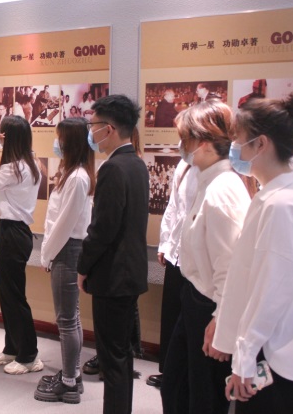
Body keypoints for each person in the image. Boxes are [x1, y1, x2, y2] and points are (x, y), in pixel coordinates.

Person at [211, 91, 293, 413]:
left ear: (261, 144)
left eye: (239, 140)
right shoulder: (277, 194)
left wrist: (246, 355)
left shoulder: (281, 205)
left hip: (274, 352)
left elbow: (272, 290)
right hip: (271, 347)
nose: (235, 148)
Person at [161, 100, 252, 414]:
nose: (181, 147)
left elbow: (230, 268)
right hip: (195, 297)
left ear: (202, 143)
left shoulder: (221, 190)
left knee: (203, 397)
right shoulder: (208, 180)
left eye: (184, 139)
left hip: (209, 305)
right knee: (176, 384)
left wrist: (220, 323)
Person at [77, 94, 149, 414]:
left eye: (93, 125)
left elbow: (102, 229)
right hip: (130, 274)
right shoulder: (137, 164)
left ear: (108, 128)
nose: (91, 132)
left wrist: (83, 267)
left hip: (112, 277)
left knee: (113, 359)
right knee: (121, 355)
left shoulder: (113, 168)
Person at [34, 118, 96, 404]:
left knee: (66, 320)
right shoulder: (73, 173)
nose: (56, 143)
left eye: (59, 138)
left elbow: (64, 223)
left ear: (70, 142)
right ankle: (73, 375)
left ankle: (69, 382)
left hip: (67, 249)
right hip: (65, 248)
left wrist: (47, 254)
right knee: (71, 317)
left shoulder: (78, 177)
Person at [0, 115, 42, 375]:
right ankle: (13, 347)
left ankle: (29, 355)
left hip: (12, 232)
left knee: (13, 295)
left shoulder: (13, 168)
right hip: (14, 231)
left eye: (1, 133)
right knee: (8, 294)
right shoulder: (28, 164)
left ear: (7, 137)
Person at [146, 157, 199, 389]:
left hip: (196, 257)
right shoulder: (184, 165)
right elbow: (173, 206)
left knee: (191, 318)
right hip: (176, 251)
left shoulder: (219, 170)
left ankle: (186, 376)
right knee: (171, 313)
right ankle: (169, 371)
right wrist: (165, 242)